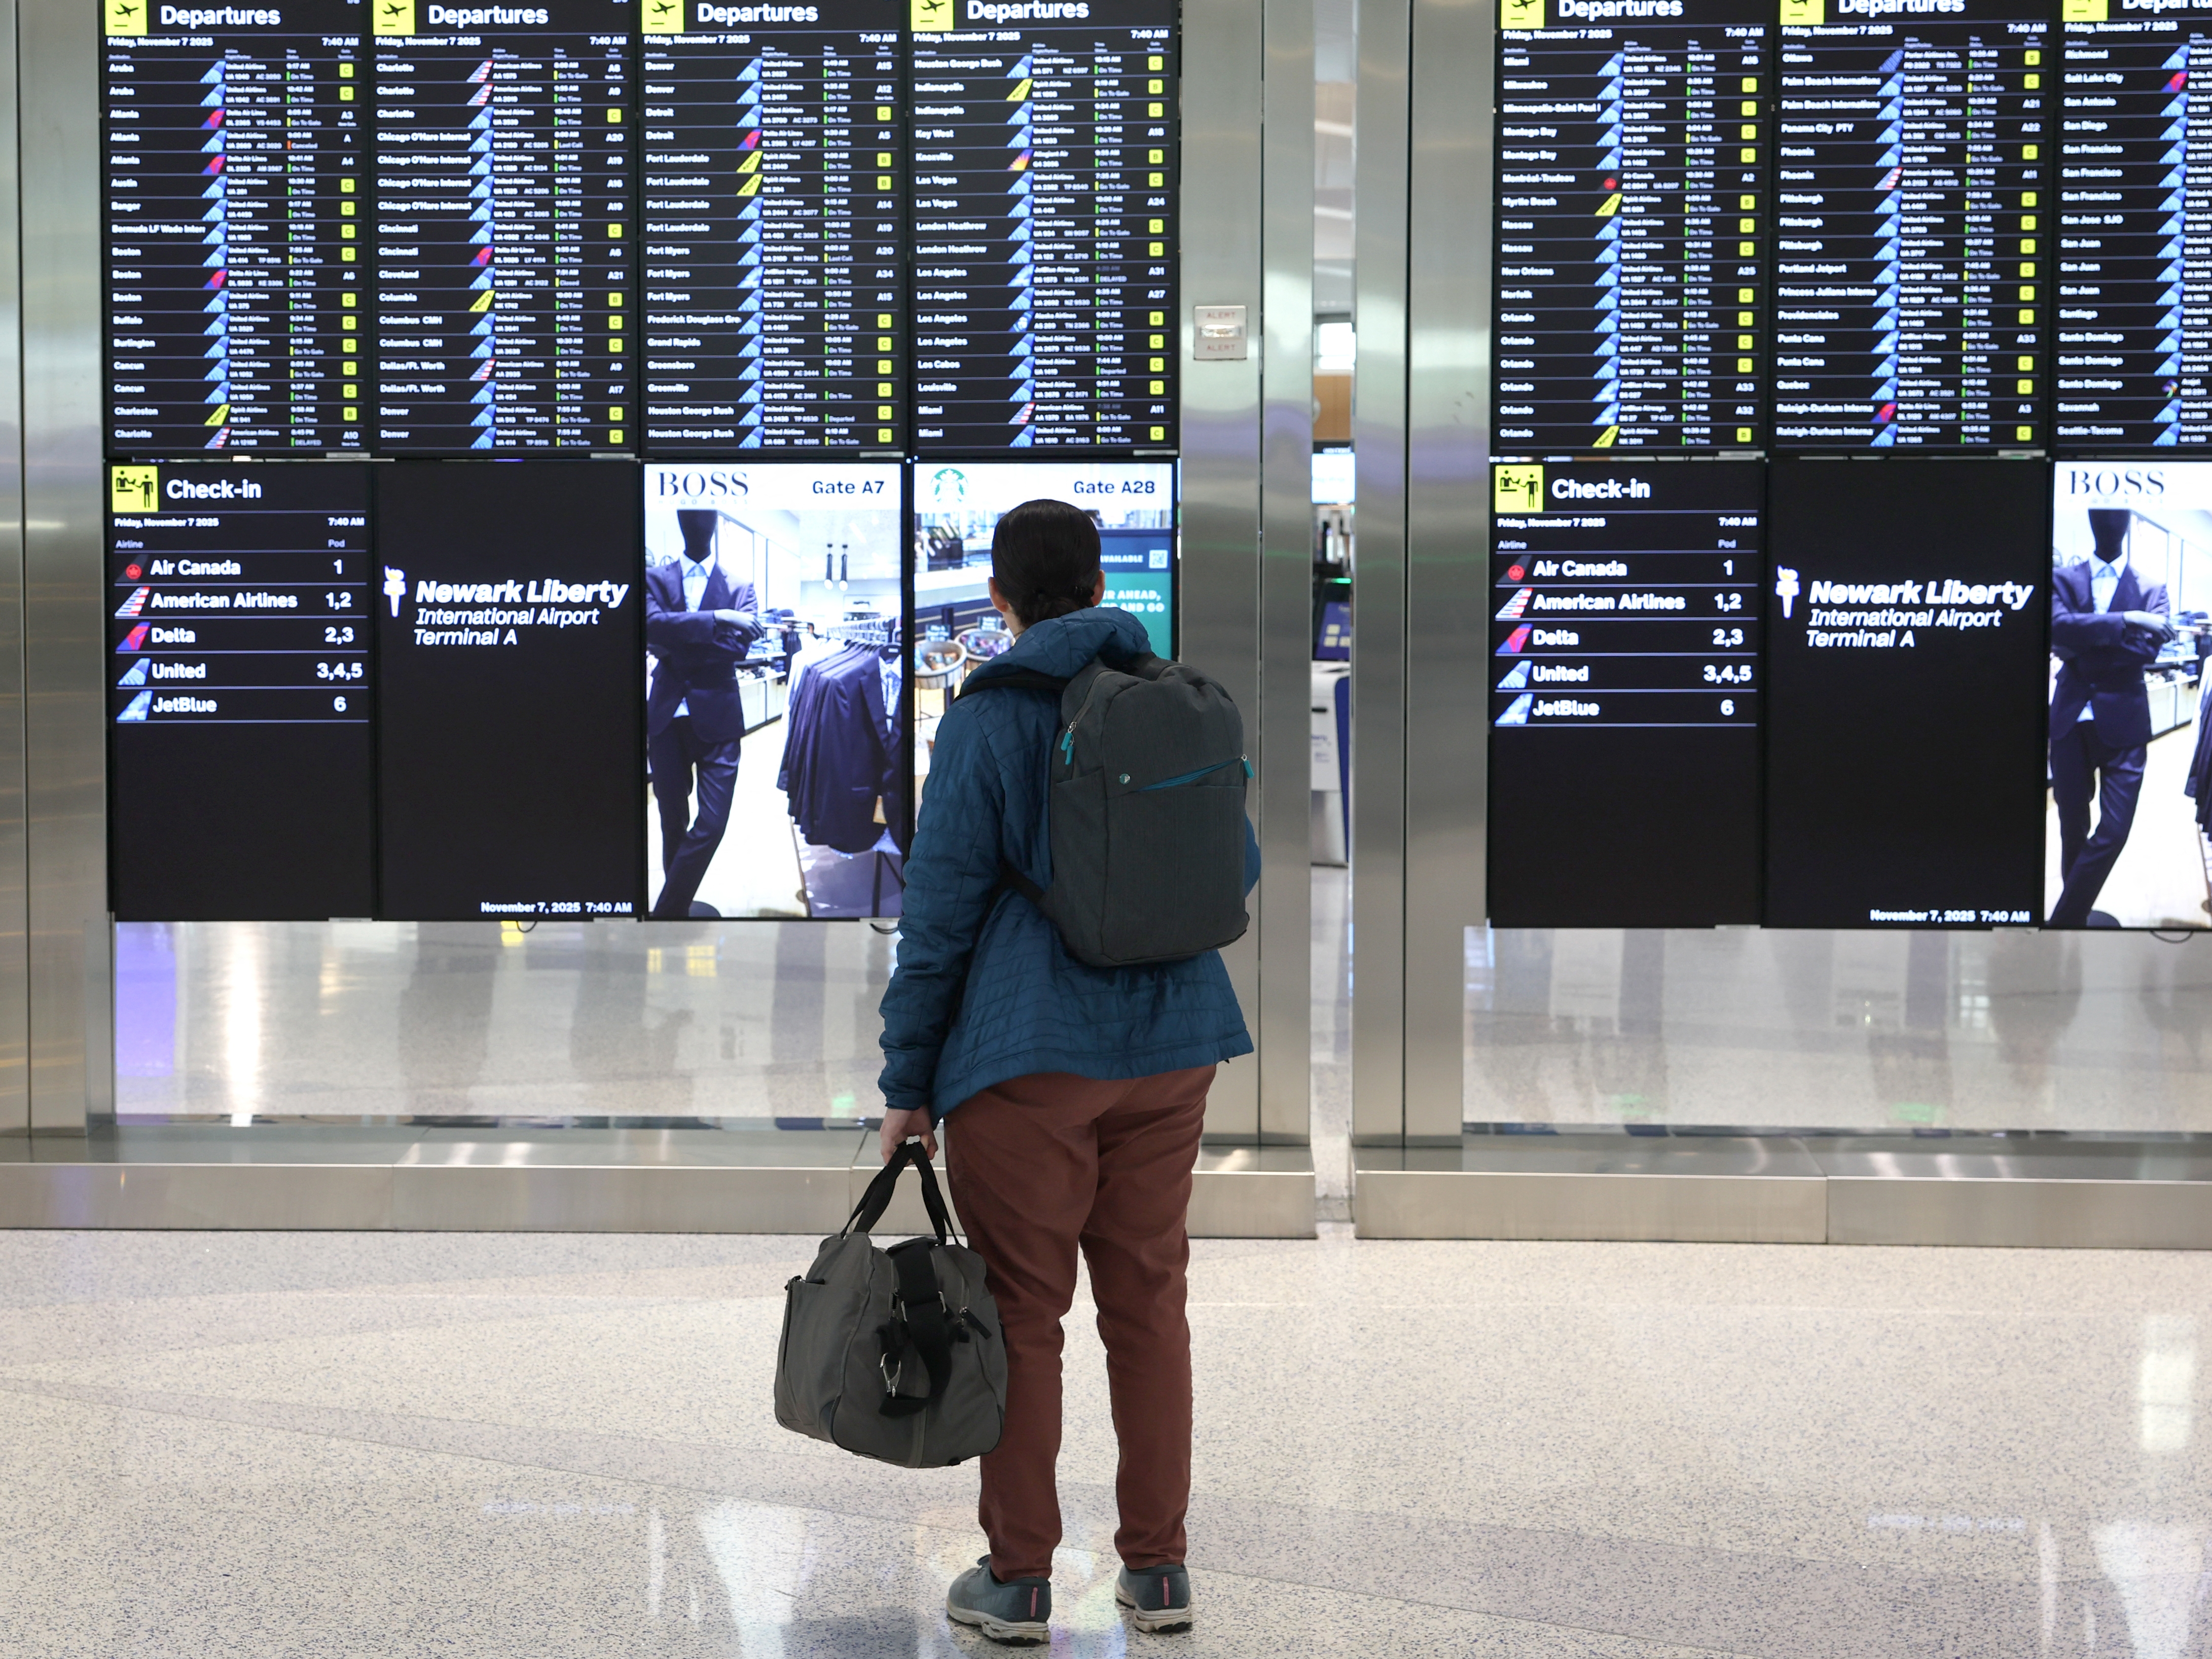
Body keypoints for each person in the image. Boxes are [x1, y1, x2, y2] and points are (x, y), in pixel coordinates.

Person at [877, 499, 1257, 1646]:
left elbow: (939, 909)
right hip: (1176, 1039)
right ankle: (1159, 1571)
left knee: (1023, 1314)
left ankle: (1021, 1577)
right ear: (1099, 583)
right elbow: (1229, 861)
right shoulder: (1183, 698)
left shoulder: (991, 714)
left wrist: (907, 1080)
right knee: (1148, 1302)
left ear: (998, 595)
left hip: (1028, 1054)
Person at [2049, 506, 2174, 927]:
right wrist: (2127, 620)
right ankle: (2076, 919)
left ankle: (2065, 918)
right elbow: (2055, 631)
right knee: (2071, 823)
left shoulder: (2152, 587)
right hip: (2069, 720)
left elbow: (2147, 651)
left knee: (2115, 830)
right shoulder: (2063, 578)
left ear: (2126, 526)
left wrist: (2082, 643)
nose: (2109, 524)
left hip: (2124, 721)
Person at [645, 508, 763, 918]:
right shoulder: (655, 579)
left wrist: (675, 638)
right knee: (670, 820)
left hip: (719, 718)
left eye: (704, 518)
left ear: (715, 524)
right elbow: (649, 629)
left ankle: (665, 911)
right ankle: (677, 912)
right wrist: (719, 618)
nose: (697, 525)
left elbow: (738, 649)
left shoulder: (741, 586)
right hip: (665, 719)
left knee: (712, 824)